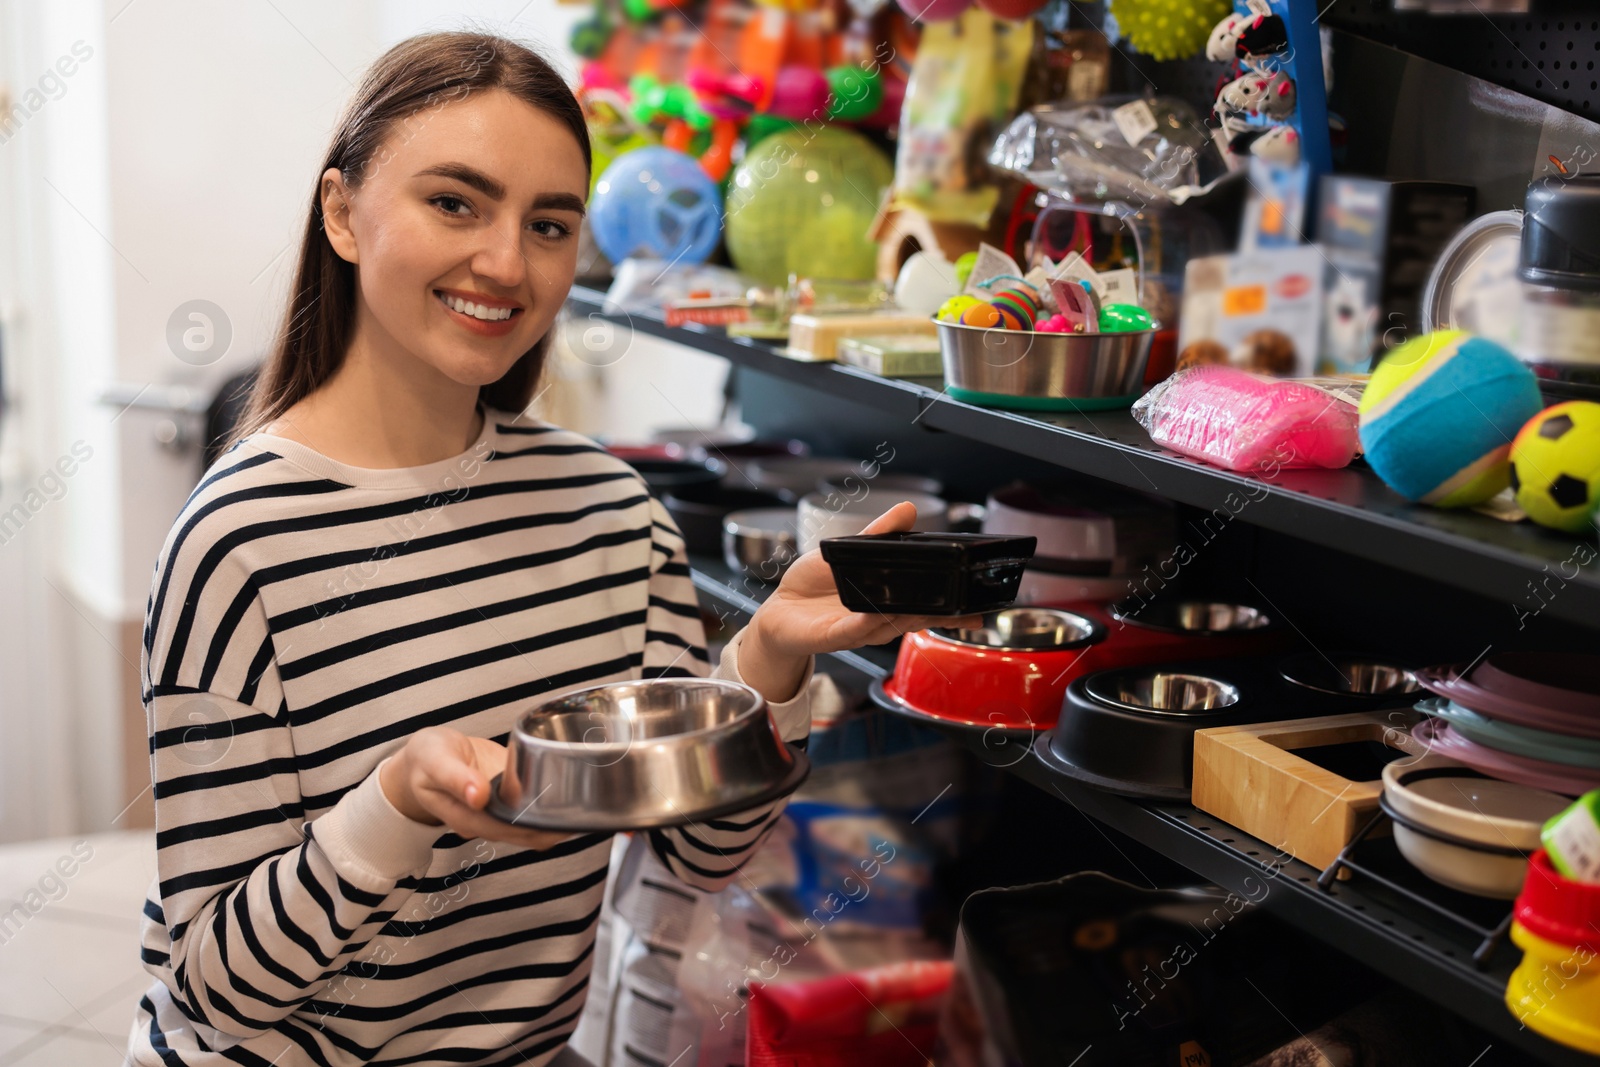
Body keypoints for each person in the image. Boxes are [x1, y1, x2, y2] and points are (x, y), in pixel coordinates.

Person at [126, 30, 978, 1067]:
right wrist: (392, 805)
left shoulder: (608, 510)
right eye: (454, 202)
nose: (504, 262)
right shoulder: (237, 539)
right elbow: (216, 985)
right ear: (342, 211)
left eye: (549, 224)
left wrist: (768, 661)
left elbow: (702, 848)